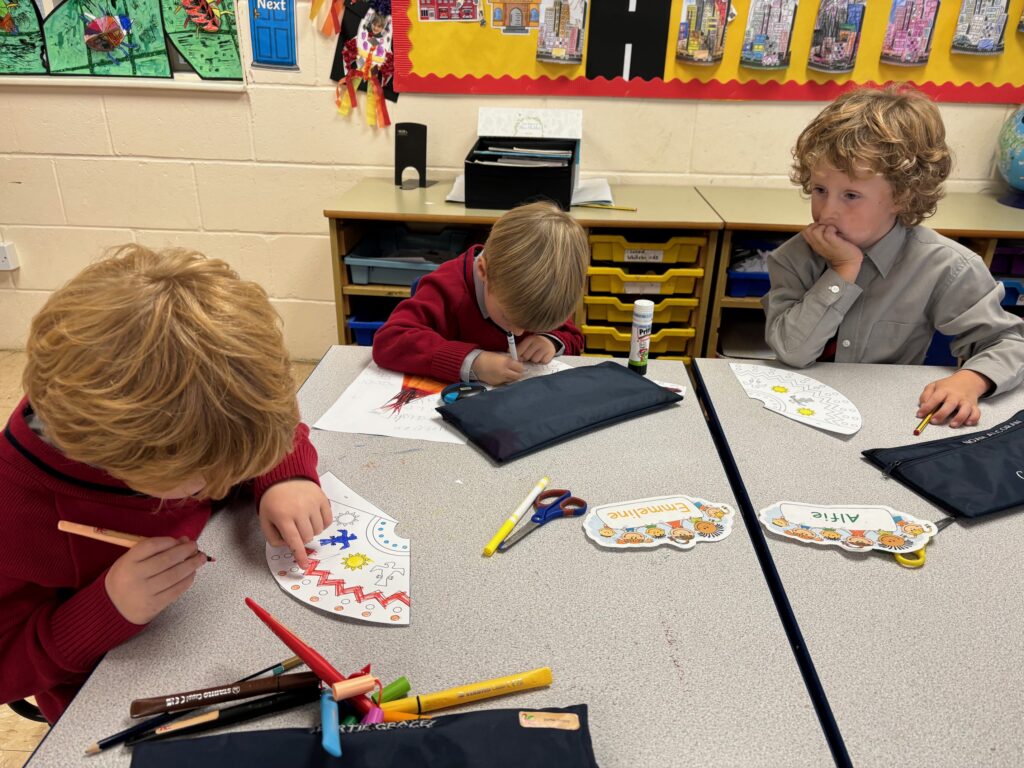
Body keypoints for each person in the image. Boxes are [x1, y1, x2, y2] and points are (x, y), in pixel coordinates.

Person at [0, 245, 332, 722]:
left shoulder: (193, 419)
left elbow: (256, 425)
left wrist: (284, 473)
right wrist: (105, 610)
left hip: (212, 623)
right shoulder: (15, 515)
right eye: (202, 483)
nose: (219, 491)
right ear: (117, 463)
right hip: (121, 707)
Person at [764, 85, 1024, 428]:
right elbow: (792, 351)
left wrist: (970, 380)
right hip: (801, 409)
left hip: (887, 417)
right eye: (819, 190)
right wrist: (842, 271)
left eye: (851, 195)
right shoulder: (795, 257)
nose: (826, 210)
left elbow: (1007, 343)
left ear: (903, 196)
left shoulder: (946, 266)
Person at [372, 201, 588, 385]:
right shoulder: (448, 287)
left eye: (532, 327)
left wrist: (551, 340)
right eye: (509, 317)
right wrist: (473, 362)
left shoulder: (543, 293)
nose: (520, 332)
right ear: (483, 271)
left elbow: (573, 336)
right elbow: (390, 341)